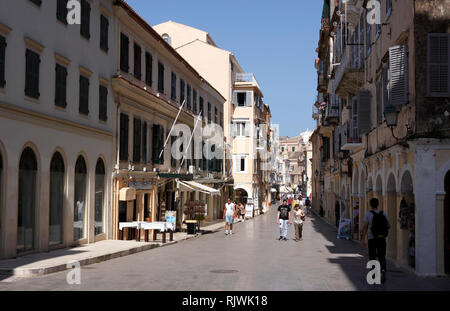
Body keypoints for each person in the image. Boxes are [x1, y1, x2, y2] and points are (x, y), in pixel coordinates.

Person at [361, 198, 390, 284]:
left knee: (372, 256)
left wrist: (363, 238)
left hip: (372, 238)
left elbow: (365, 227)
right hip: (381, 238)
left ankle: (374, 274)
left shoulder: (368, 214)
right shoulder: (383, 213)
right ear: (378, 204)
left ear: (370, 204)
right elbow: (388, 225)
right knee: (382, 256)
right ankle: (383, 270)